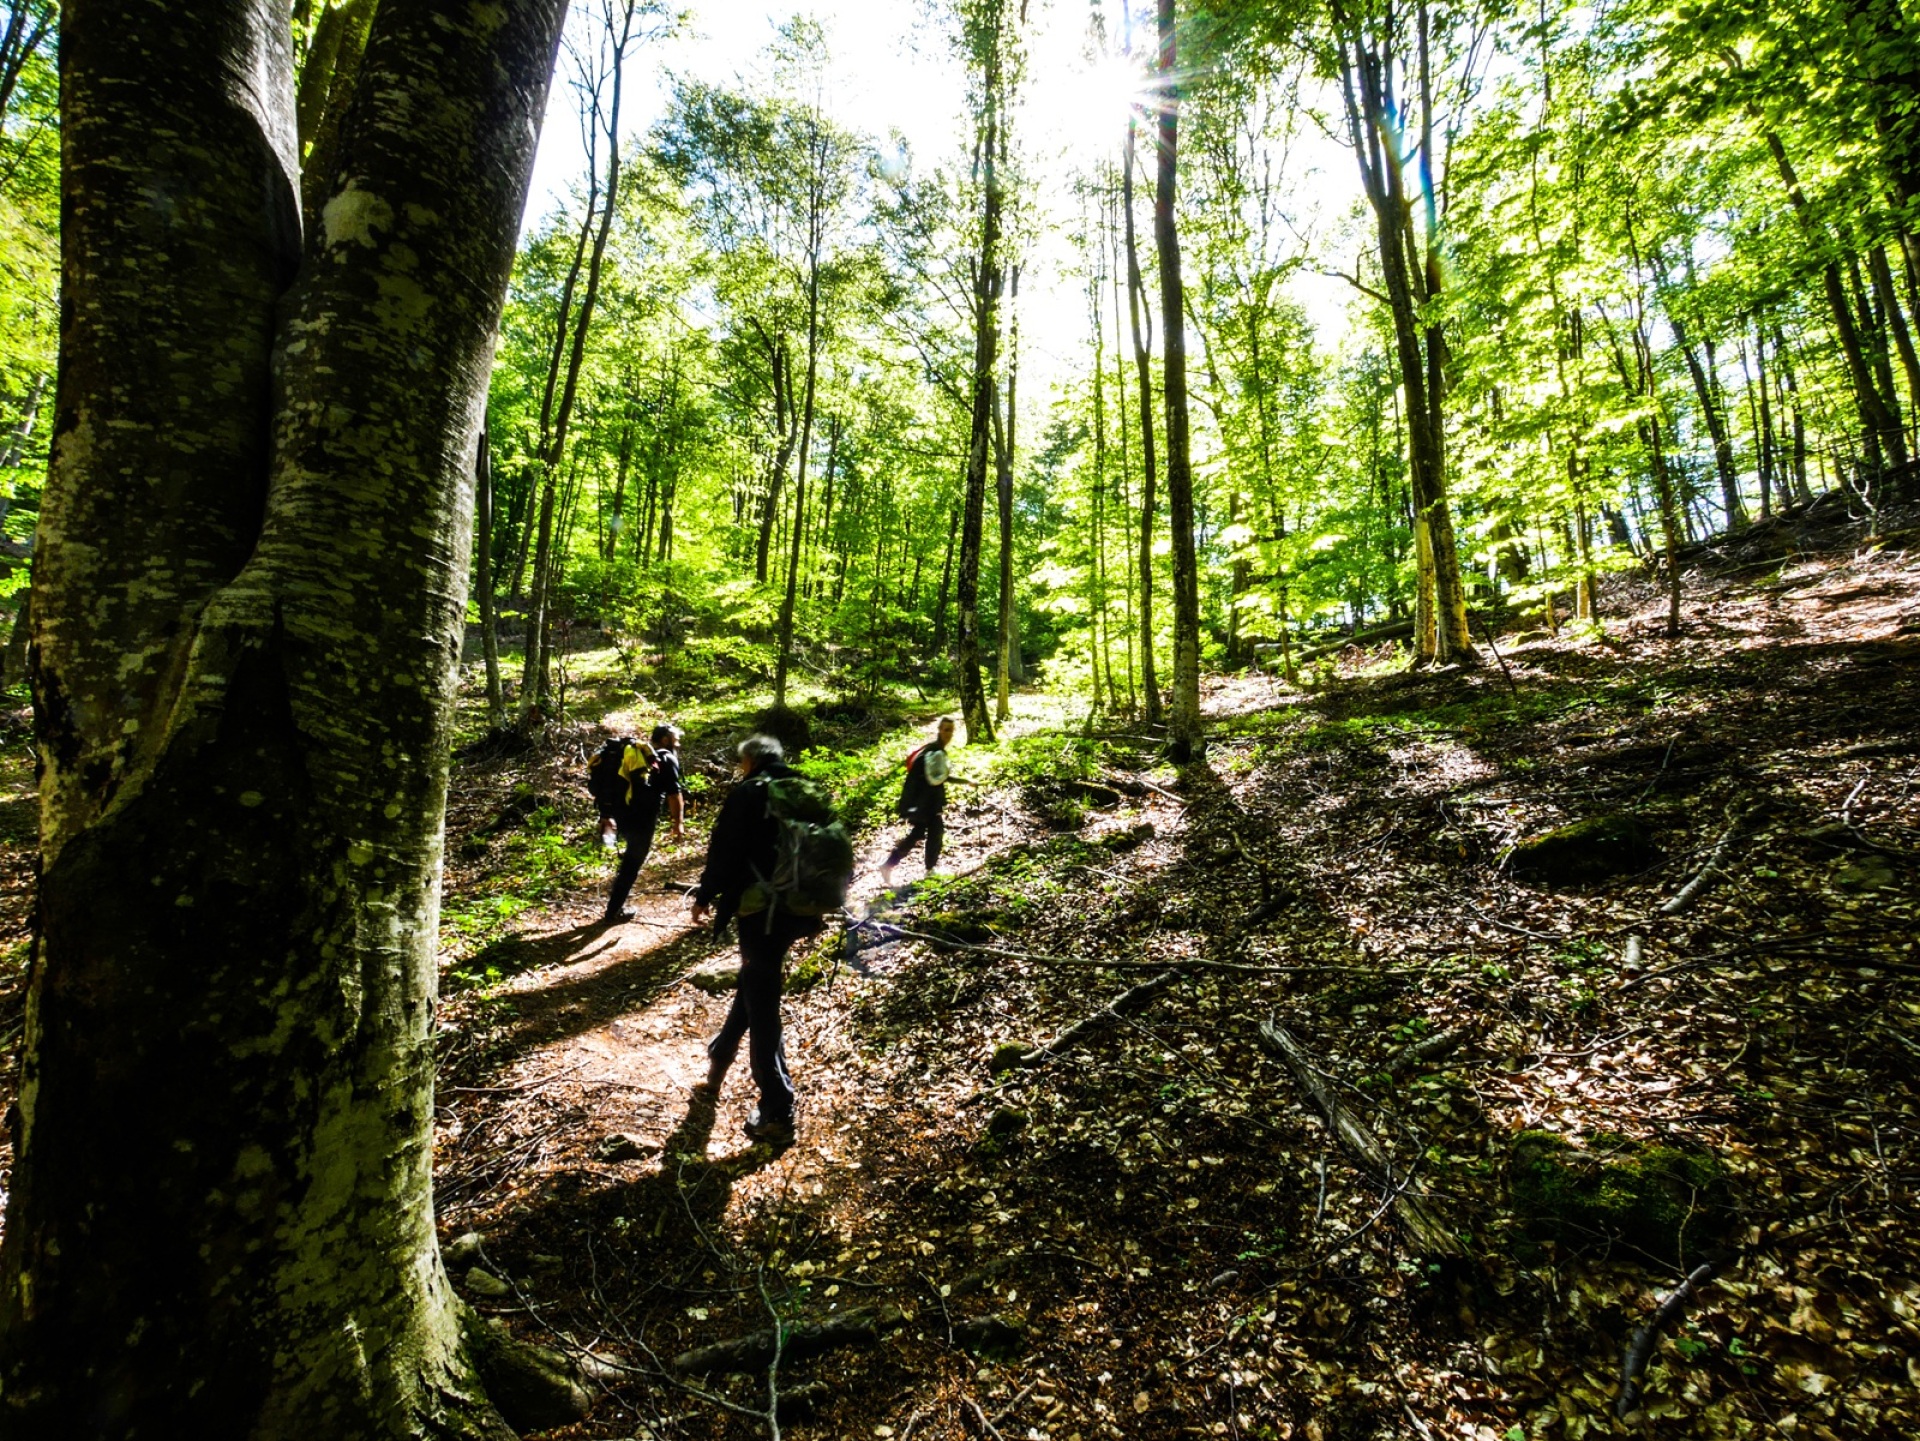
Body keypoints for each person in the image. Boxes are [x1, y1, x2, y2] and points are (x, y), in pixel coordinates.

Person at [689, 734, 820, 1148]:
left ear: (749, 762)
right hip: (801, 909)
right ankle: (722, 1052)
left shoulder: (748, 793)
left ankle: (777, 1110)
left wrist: (706, 894)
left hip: (760, 910)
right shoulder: (805, 788)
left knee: (763, 1003)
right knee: (755, 978)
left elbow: (724, 851)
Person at [602, 723, 685, 924]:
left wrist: (606, 814)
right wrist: (678, 822)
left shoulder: (633, 757)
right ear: (665, 739)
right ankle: (613, 911)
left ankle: (616, 903)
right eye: (676, 739)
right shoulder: (665, 758)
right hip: (643, 819)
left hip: (620, 814)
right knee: (632, 863)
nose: (679, 743)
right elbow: (674, 795)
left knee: (629, 862)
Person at [880, 716, 957, 888]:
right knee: (934, 831)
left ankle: (888, 865)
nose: (947, 733)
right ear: (938, 730)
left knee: (920, 833)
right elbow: (934, 779)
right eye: (945, 729)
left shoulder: (933, 750)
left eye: (950, 730)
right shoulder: (934, 752)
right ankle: (929, 870)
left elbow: (939, 777)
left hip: (921, 802)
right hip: (923, 803)